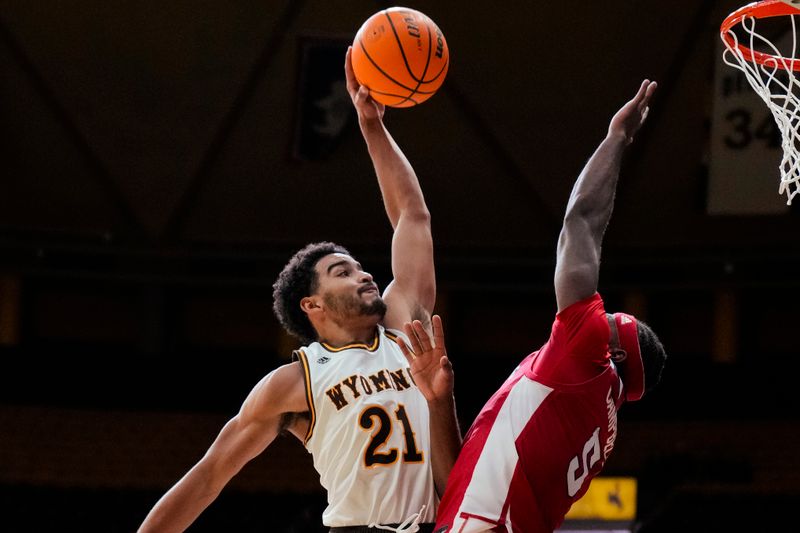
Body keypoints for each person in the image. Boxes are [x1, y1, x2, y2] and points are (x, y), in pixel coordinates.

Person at [138, 47, 461, 533]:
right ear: (312, 304)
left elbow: (412, 217)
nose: (365, 275)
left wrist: (372, 126)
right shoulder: (294, 382)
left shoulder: (402, 323)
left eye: (359, 267)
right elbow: (209, 476)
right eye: (342, 271)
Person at [405, 80, 667, 533]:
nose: (591, 317)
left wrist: (617, 139)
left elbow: (580, 221)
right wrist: (439, 401)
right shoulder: (597, 428)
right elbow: (459, 487)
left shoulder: (585, 363)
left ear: (616, 355)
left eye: (605, 324)